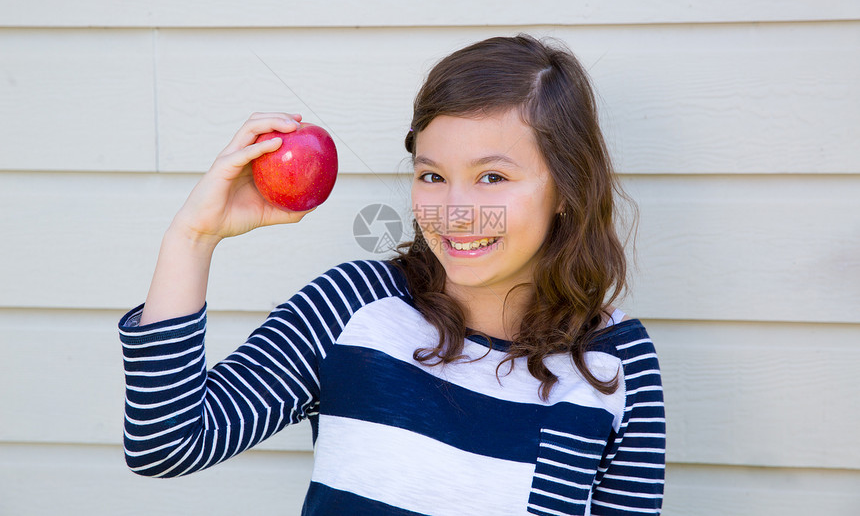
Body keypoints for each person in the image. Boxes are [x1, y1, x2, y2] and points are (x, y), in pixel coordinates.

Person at [119, 34, 665, 515]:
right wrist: (192, 237)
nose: (454, 211)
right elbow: (165, 443)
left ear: (567, 189)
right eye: (432, 175)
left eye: (492, 177)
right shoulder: (352, 306)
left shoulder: (617, 363)